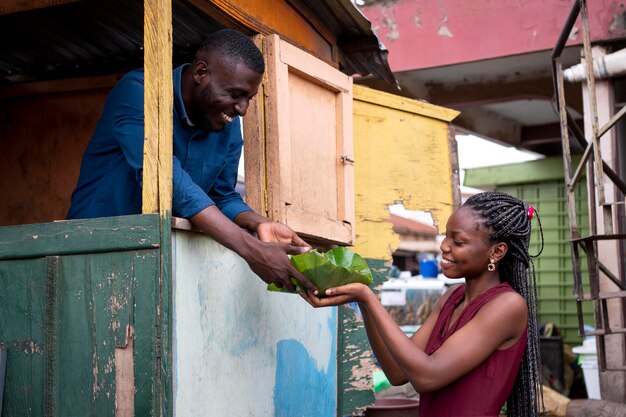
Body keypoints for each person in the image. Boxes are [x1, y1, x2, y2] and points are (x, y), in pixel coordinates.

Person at [66, 29, 317, 295]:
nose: (242, 109)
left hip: (157, 260)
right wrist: (252, 250)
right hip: (88, 252)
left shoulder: (227, 125)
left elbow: (221, 196)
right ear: (200, 73)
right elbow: (170, 182)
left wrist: (258, 223)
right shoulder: (140, 92)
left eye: (248, 99)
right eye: (235, 94)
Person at [302, 191, 544, 417]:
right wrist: (363, 303)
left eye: (458, 241)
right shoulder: (452, 297)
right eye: (446, 236)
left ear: (497, 251)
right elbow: (397, 373)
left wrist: (368, 298)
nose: (444, 246)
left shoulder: (507, 305)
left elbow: (427, 377)